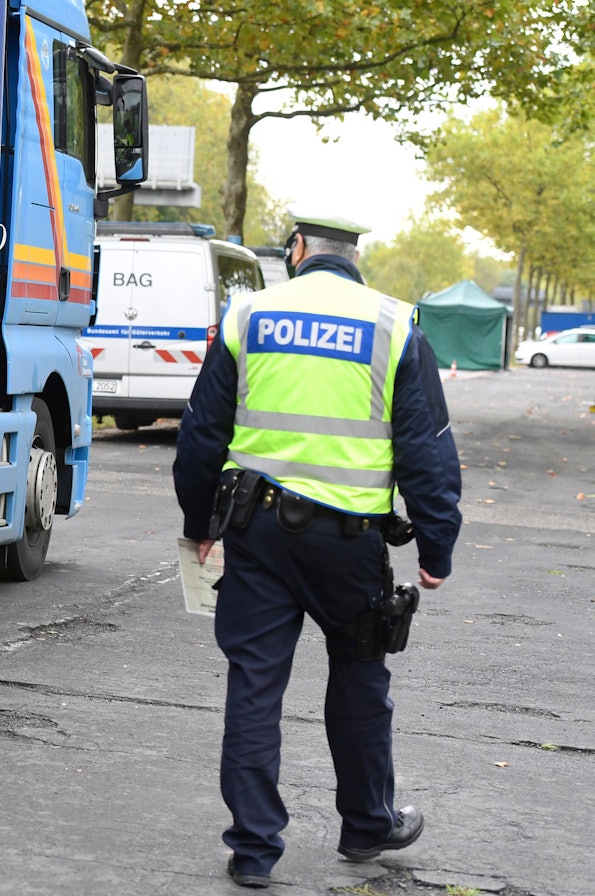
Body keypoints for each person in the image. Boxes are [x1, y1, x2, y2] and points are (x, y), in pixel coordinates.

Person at [173, 213, 462, 889]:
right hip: (350, 545)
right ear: (354, 255)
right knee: (360, 678)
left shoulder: (249, 315)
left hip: (257, 533)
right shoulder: (393, 324)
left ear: (296, 250)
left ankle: (252, 849)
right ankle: (366, 825)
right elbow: (425, 450)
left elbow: (200, 433)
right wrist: (436, 545)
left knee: (254, 685)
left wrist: (199, 522)